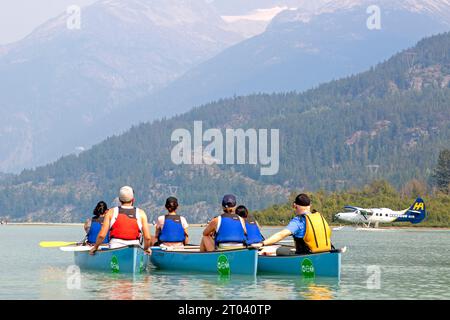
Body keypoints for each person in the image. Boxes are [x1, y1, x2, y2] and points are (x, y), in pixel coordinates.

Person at [252, 194, 332, 255]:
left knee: (270, 250)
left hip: (305, 254)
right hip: (324, 252)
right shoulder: (319, 217)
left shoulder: (298, 220)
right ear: (310, 206)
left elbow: (281, 235)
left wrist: (262, 243)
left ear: (295, 206)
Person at [90, 186, 152, 255]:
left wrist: (95, 247)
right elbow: (147, 238)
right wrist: (146, 248)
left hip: (115, 247)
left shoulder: (111, 212)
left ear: (119, 200)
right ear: (133, 200)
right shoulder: (141, 213)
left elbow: (102, 235)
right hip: (134, 248)